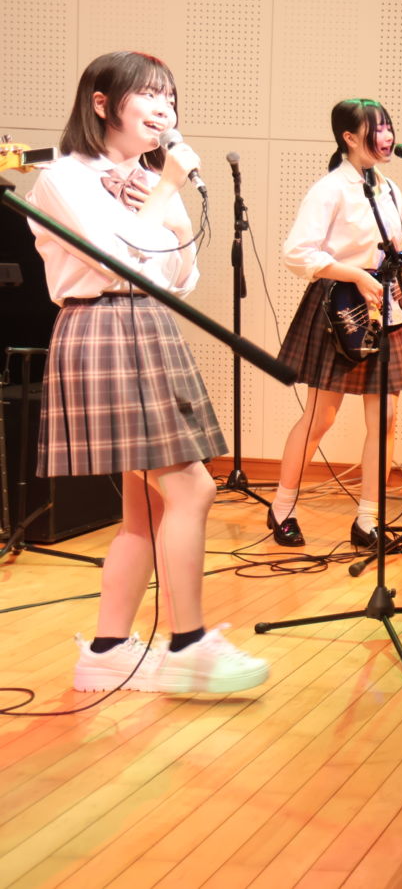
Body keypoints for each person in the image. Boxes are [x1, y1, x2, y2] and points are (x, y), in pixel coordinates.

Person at [27, 50, 269, 694]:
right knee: (190, 490)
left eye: (170, 97)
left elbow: (179, 276)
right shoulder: (63, 178)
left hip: (149, 324)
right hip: (104, 325)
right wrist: (163, 195)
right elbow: (115, 263)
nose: (165, 108)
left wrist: (167, 204)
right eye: (150, 95)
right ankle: (189, 646)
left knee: (144, 511)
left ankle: (107, 651)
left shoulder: (145, 178)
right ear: (102, 103)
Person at [268, 99, 402, 550]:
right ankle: (282, 509)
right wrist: (354, 275)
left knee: (386, 419)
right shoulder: (330, 189)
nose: (386, 136)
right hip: (339, 308)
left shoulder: (389, 189)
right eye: (376, 128)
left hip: (385, 311)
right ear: (349, 138)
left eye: (388, 127)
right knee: (320, 417)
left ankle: (368, 521)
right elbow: (297, 253)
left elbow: (395, 259)